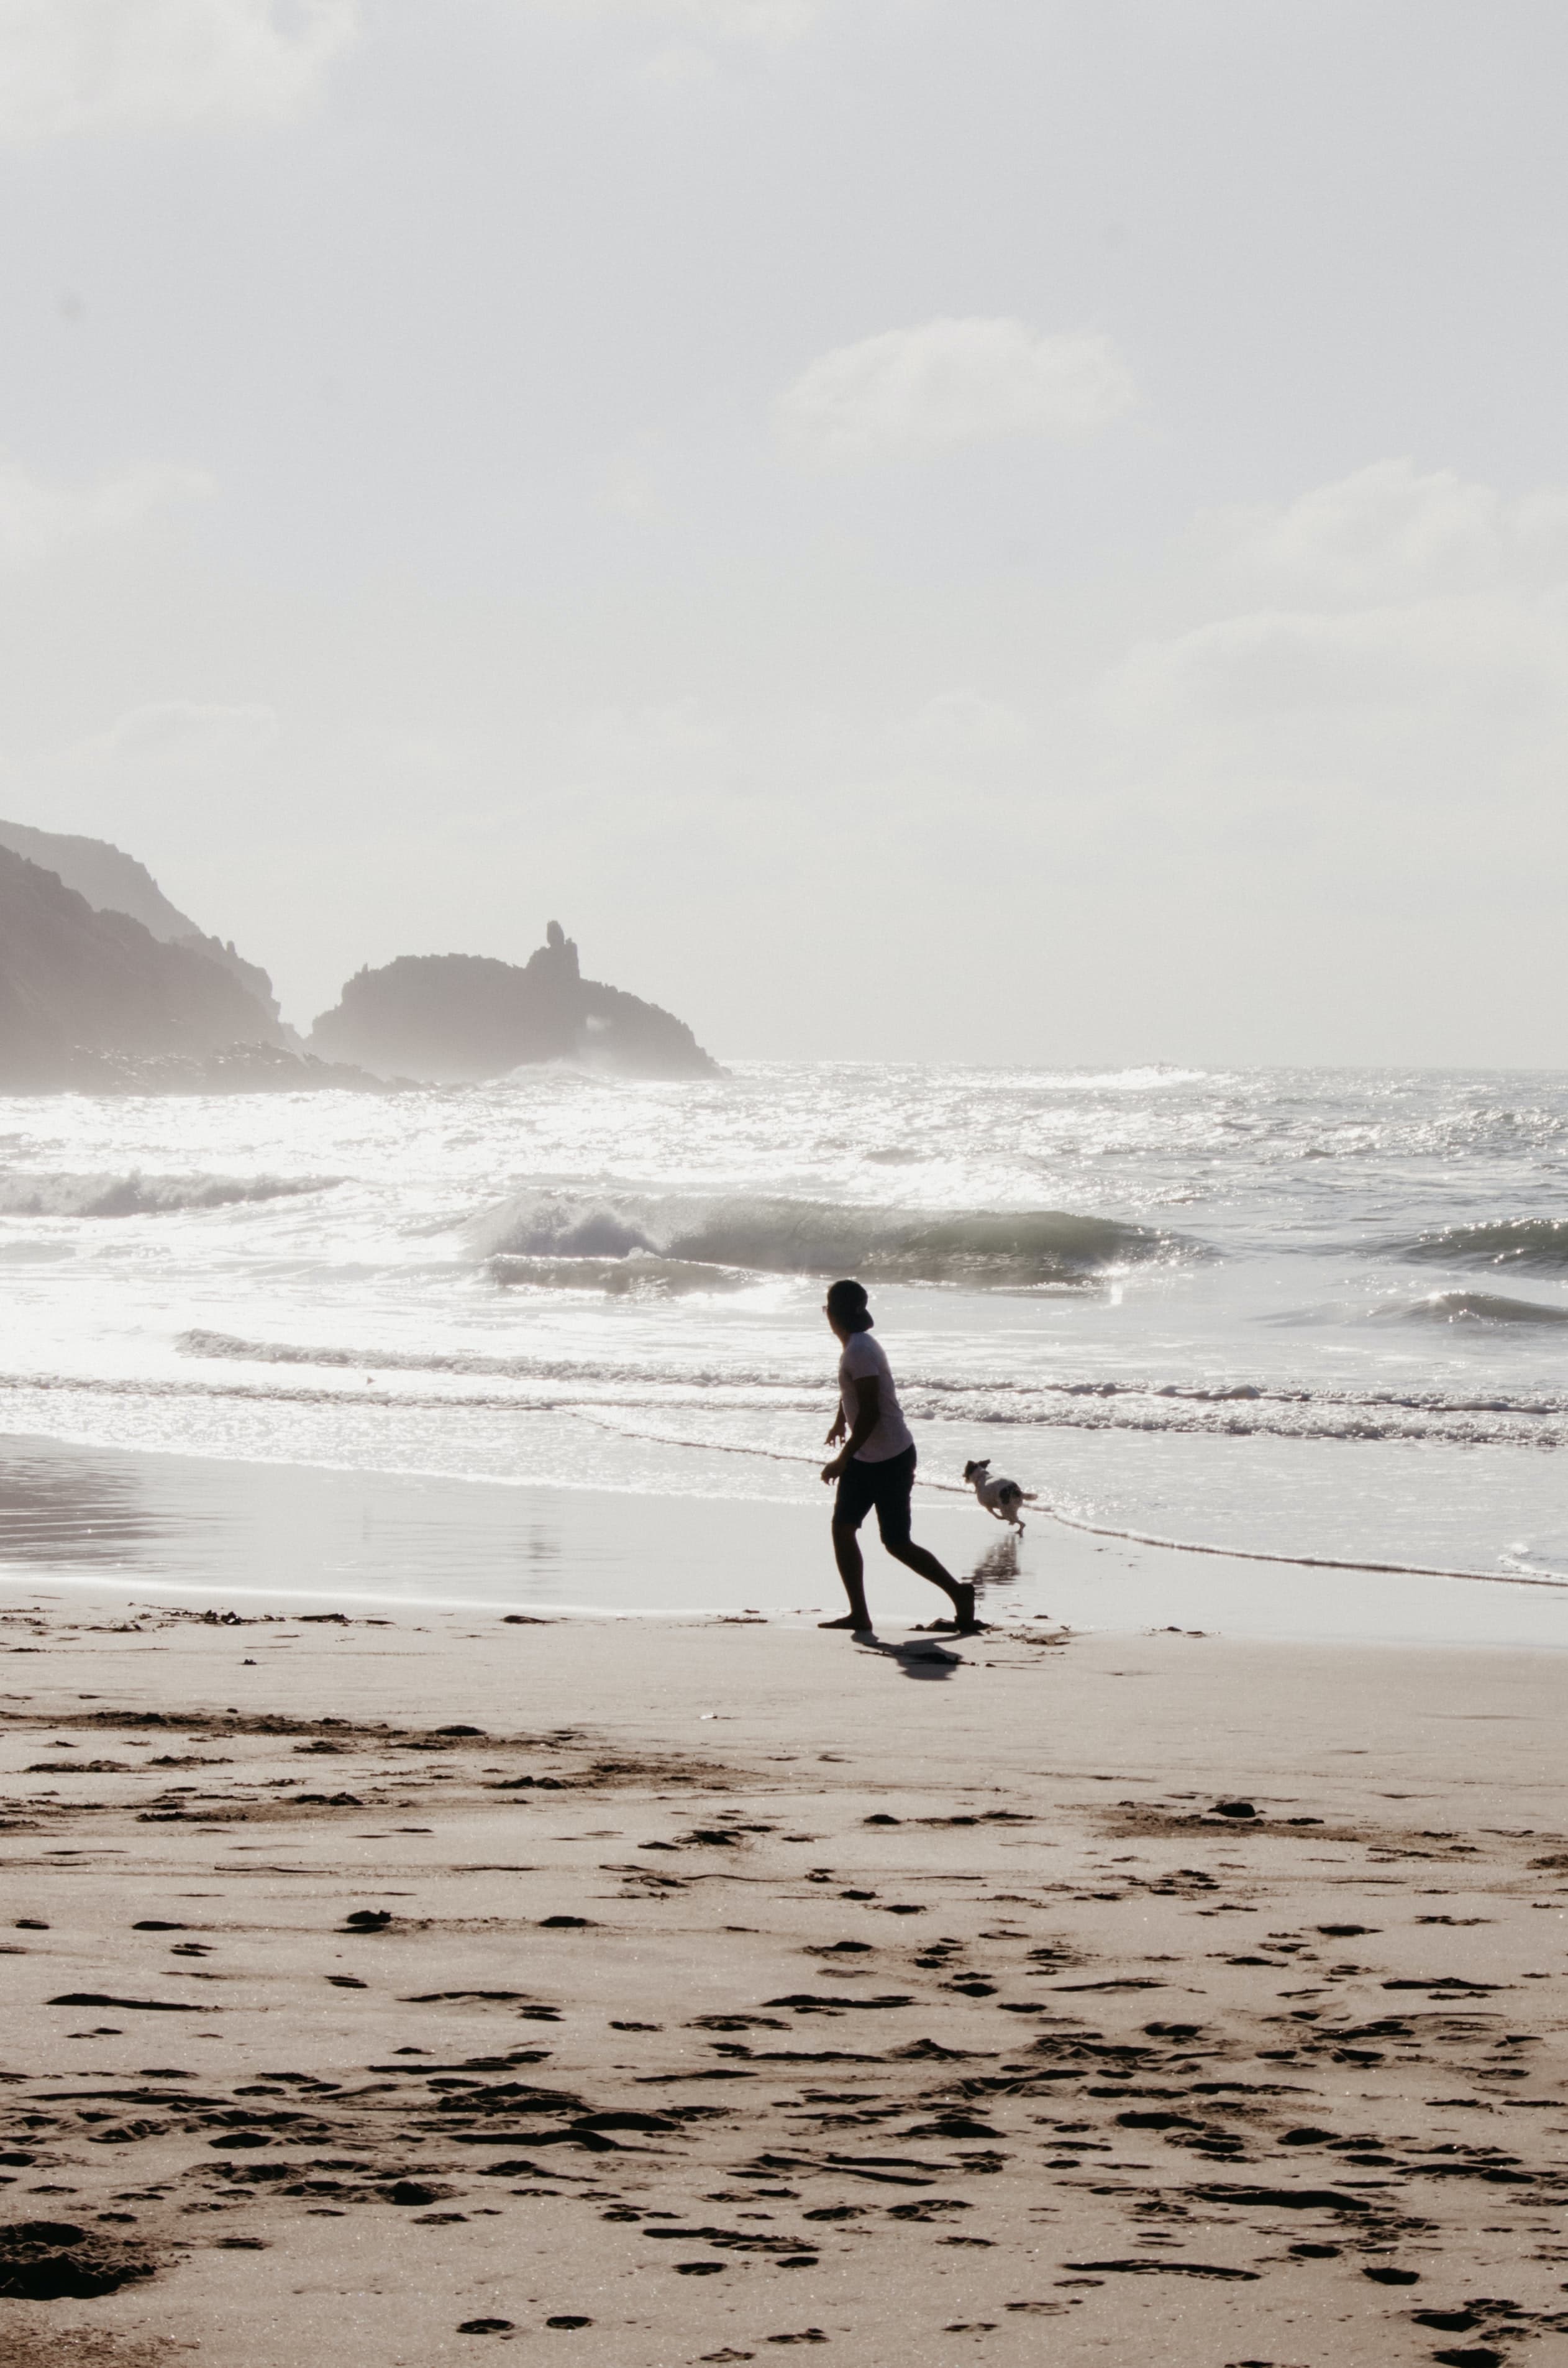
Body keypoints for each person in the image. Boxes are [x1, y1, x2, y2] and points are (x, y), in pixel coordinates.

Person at [818, 1278, 977, 1635]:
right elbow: (855, 1395)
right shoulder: (856, 1347)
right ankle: (859, 1613)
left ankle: (960, 1593)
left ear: (831, 1313)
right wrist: (839, 1421)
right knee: (843, 1529)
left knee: (896, 1543)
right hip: (867, 1457)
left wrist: (842, 1458)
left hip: (890, 1457)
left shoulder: (859, 1349)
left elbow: (872, 1410)